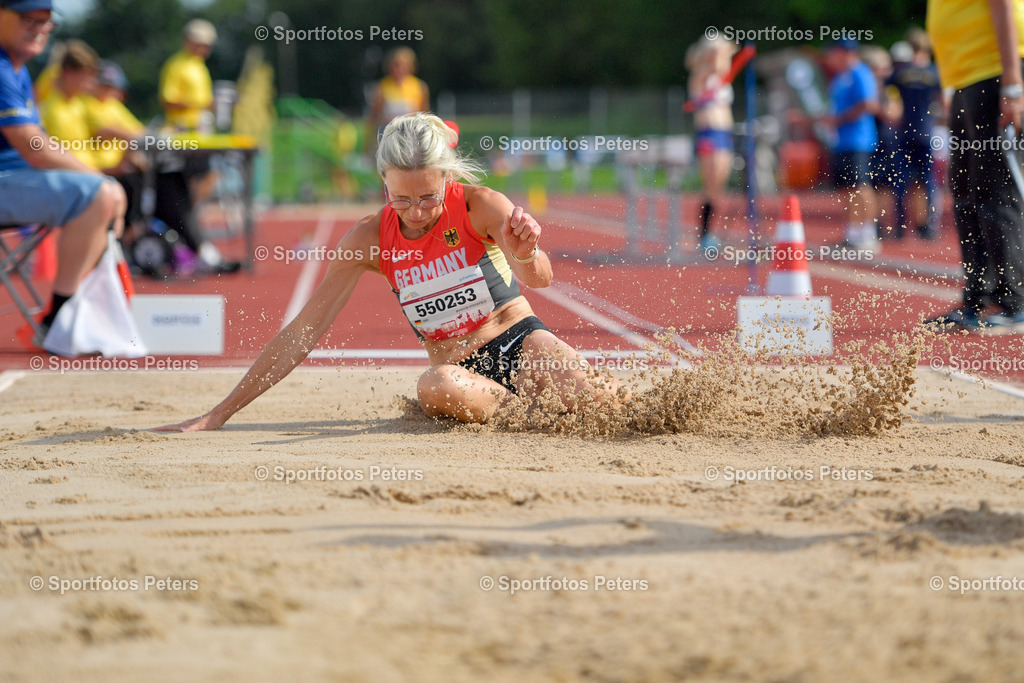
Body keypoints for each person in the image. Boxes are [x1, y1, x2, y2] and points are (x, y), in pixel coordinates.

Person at [158, 113, 621, 431]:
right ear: (383, 182)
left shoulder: (481, 205)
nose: (416, 212)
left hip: (519, 339)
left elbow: (540, 278)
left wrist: (526, 252)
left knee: (611, 409)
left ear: (448, 179)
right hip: (456, 374)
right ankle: (535, 418)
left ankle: (564, 407)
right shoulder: (367, 240)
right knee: (433, 385)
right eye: (401, 199)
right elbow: (303, 331)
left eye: (428, 198)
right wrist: (218, 414)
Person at [0, 0, 125, 344]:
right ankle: (59, 319)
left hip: (14, 179)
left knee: (105, 192)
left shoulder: (16, 68)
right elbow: (33, 146)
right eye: (29, 18)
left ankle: (70, 315)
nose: (39, 27)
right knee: (98, 193)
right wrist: (99, 178)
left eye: (46, 21)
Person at [925, 0, 1024, 333]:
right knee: (966, 192)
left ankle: (1015, 301)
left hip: (996, 74)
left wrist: (1012, 81)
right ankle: (978, 298)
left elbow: (1004, 7)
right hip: (968, 80)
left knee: (995, 189)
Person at [88, 60, 240, 274]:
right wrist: (136, 146)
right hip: (105, 174)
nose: (109, 91)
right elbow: (109, 131)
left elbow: (139, 132)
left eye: (112, 87)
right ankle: (196, 250)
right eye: (104, 85)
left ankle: (197, 249)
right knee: (166, 189)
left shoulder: (111, 106)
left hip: (124, 172)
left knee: (173, 180)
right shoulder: (89, 106)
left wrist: (143, 142)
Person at [824, 39, 881, 251]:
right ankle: (853, 232)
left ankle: (868, 233)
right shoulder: (839, 78)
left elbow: (869, 104)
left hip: (859, 139)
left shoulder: (859, 72)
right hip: (841, 141)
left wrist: (839, 120)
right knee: (846, 188)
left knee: (860, 185)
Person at [887, 27, 942, 240]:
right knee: (927, 181)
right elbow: (944, 101)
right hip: (927, 131)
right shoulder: (935, 72)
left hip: (904, 132)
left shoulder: (899, 73)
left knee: (901, 181)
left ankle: (900, 227)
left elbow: (887, 96)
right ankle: (926, 226)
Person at [686, 37, 736, 253]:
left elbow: (729, 53)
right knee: (711, 183)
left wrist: (723, 48)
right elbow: (715, 65)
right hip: (708, 133)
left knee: (719, 187)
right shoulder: (700, 76)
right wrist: (715, 50)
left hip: (724, 133)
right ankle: (704, 234)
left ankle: (709, 232)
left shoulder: (722, 77)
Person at [366, 47, 429, 156]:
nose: (399, 69)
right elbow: (374, 116)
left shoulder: (419, 87)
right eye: (396, 65)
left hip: (411, 133)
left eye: (403, 65)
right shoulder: (383, 87)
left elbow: (425, 115)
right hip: (389, 133)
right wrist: (368, 143)